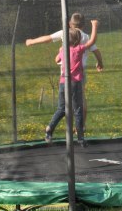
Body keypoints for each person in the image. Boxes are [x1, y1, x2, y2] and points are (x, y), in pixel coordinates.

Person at [25, 12, 104, 126]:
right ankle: (80, 127)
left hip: (65, 74)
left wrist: (32, 41)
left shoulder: (65, 33)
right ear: (83, 25)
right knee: (81, 100)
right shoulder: (86, 37)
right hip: (79, 75)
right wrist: (100, 63)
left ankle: (67, 125)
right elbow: (96, 50)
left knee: (64, 103)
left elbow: (48, 38)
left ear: (69, 24)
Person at [34, 19, 97, 147]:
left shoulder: (63, 50)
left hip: (63, 82)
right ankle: (80, 138)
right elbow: (92, 41)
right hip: (75, 83)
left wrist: (60, 52)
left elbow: (57, 59)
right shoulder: (79, 49)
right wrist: (94, 26)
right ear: (77, 40)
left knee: (62, 109)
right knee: (78, 110)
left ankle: (49, 129)